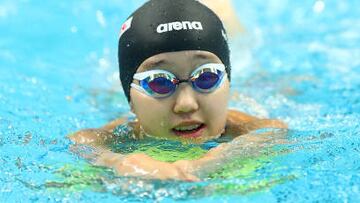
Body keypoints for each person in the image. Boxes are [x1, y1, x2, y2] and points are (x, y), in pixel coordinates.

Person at [69, 0, 287, 181]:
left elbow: (273, 132)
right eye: (159, 83)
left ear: (228, 83)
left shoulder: (244, 128)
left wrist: (199, 166)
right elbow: (82, 143)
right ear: (131, 100)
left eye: (207, 77)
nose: (186, 104)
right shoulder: (117, 137)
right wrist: (119, 163)